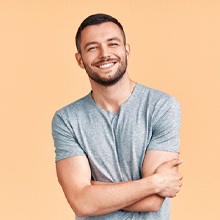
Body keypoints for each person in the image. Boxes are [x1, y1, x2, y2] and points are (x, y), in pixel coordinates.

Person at [52, 13, 183, 220]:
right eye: (92, 48)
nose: (105, 54)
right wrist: (154, 183)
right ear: (80, 59)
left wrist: (93, 191)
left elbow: (153, 201)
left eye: (113, 44)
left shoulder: (162, 106)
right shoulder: (67, 119)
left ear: (126, 50)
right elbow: (81, 203)